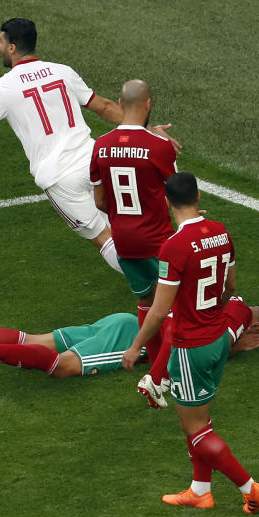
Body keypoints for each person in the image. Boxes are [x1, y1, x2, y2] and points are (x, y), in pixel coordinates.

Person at [0, 18, 180, 276]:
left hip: (58, 178)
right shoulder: (62, 71)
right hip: (92, 158)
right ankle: (181, 270)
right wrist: (144, 129)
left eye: (0, 41)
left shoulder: (3, 88)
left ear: (12, 47)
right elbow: (103, 106)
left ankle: (162, 288)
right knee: (135, 220)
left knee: (104, 237)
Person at [120, 171, 259, 514]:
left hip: (191, 347)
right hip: (218, 337)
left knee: (195, 428)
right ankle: (200, 490)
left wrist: (135, 347)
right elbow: (231, 286)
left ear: (166, 202)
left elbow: (159, 312)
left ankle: (251, 489)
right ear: (198, 195)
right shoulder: (220, 232)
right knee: (200, 420)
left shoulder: (173, 247)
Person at [0, 296, 259, 379]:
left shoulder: (216, 294)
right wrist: (236, 347)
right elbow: (210, 347)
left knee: (36, 340)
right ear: (256, 326)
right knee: (63, 368)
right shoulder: (242, 313)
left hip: (127, 322)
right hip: (139, 342)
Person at [90, 79, 179, 365]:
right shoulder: (159, 146)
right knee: (176, 304)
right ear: (148, 104)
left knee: (145, 302)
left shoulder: (101, 146)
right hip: (158, 240)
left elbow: (100, 202)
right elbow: (178, 196)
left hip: (124, 241)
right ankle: (169, 369)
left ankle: (154, 363)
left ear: (119, 103)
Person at [136, 296, 259, 408]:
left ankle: (158, 374)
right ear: (256, 326)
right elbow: (219, 346)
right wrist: (239, 346)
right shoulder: (242, 313)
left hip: (155, 323)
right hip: (175, 331)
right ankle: (155, 379)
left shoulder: (231, 299)